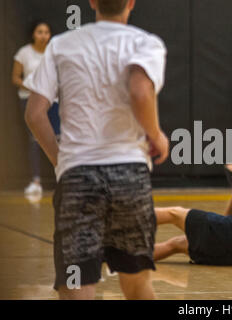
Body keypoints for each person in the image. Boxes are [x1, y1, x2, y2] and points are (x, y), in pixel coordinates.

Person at [24, 0, 168, 300]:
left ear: (92, 2)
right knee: (136, 281)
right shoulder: (146, 42)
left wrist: (60, 161)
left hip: (78, 174)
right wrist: (156, 135)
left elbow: (35, 114)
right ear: (131, 2)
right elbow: (140, 91)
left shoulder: (61, 44)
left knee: (77, 280)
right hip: (130, 173)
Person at [154, 173, 232, 265]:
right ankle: (136, 258)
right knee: (176, 244)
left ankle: (135, 219)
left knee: (174, 213)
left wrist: (225, 222)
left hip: (224, 231)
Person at [12, 20, 60, 196]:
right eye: (40, 32)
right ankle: (36, 181)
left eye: (46, 32)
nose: (43, 36)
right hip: (29, 99)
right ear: (33, 34)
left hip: (52, 101)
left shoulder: (54, 52)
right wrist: (34, 87)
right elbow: (15, 78)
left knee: (58, 138)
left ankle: (62, 178)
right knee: (35, 140)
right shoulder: (24, 53)